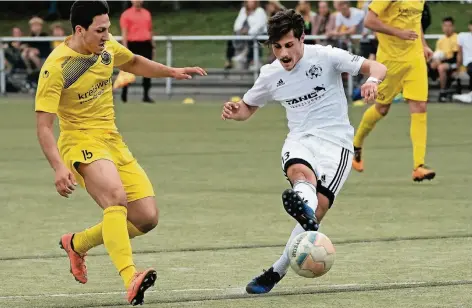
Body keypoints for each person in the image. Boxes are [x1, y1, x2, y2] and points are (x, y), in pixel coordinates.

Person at [34, 1, 206, 305]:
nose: (107, 35)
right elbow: (44, 125)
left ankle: (77, 243)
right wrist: (58, 167)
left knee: (146, 217)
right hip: (79, 141)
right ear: (79, 30)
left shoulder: (106, 47)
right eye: (100, 30)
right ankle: (131, 277)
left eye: (108, 29)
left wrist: (173, 72)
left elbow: (134, 62)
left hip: (112, 140)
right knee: (115, 199)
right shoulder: (57, 67)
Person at [221, 9, 386, 294]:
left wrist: (372, 82)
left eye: (289, 45)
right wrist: (237, 111)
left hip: (336, 144)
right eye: (277, 47)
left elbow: (377, 67)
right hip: (299, 139)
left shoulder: (325, 56)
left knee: (317, 210)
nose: (283, 53)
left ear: (302, 39)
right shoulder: (270, 74)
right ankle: (305, 210)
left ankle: (277, 270)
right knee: (299, 174)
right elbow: (248, 107)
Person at [351, 0, 435, 182]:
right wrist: (399, 33)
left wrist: (424, 44)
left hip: (414, 60)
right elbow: (369, 21)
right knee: (381, 109)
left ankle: (418, 166)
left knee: (420, 106)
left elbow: (415, 20)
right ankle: (356, 144)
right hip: (389, 62)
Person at [120, 0, 155, 103]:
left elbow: (150, 30)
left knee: (148, 70)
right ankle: (124, 94)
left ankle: (146, 95)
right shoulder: (126, 15)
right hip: (133, 45)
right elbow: (124, 33)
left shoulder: (147, 14)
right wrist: (125, 48)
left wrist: (153, 46)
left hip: (145, 44)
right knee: (128, 70)